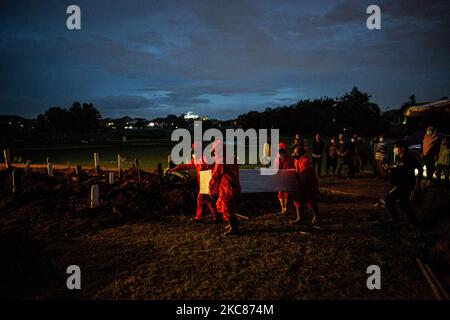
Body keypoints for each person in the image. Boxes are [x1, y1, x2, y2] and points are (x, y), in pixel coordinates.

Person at [168, 142, 220, 223]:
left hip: (206, 182)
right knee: (207, 200)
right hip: (203, 182)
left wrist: (210, 183)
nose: (193, 150)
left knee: (201, 199)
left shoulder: (205, 158)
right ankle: (215, 216)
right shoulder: (198, 158)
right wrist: (176, 168)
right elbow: (187, 165)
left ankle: (200, 217)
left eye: (194, 149)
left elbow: (212, 171)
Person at [209, 140, 241, 235]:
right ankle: (232, 223)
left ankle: (233, 227)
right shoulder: (232, 158)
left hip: (227, 188)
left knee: (226, 208)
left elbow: (215, 176)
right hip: (235, 186)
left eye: (215, 150)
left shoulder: (220, 161)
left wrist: (210, 188)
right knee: (229, 207)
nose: (214, 152)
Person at [385, 140, 420, 227]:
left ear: (402, 148)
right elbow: (399, 168)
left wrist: (417, 182)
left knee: (389, 199)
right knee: (403, 203)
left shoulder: (408, 157)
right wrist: (391, 168)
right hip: (401, 183)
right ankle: (413, 222)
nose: (395, 149)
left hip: (405, 184)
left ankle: (397, 220)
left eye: (396, 147)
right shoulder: (401, 157)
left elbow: (416, 167)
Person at [290, 146, 319, 225]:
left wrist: (297, 181)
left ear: (301, 153)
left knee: (311, 201)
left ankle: (316, 217)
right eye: (294, 152)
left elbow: (304, 174)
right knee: (297, 200)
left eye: (296, 152)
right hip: (302, 182)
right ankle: (300, 218)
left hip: (310, 184)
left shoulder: (305, 161)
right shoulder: (297, 160)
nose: (294, 153)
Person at [274, 142, 294, 215]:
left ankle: (286, 209)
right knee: (280, 193)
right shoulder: (277, 158)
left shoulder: (288, 159)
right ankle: (282, 209)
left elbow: (290, 169)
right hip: (280, 179)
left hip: (286, 178)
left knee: (286, 193)